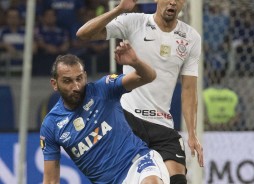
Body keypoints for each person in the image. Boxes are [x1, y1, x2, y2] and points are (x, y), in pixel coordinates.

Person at [76, 0, 204, 183]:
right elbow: (84, 34)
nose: (173, 2)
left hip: (162, 124)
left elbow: (189, 88)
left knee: (178, 180)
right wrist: (119, 9)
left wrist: (192, 133)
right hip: (128, 121)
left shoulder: (191, 37)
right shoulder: (134, 22)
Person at [39, 41, 170, 184]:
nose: (76, 86)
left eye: (79, 79)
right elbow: (51, 181)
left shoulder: (103, 89)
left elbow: (148, 77)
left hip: (138, 163)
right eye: (67, 81)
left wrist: (136, 62)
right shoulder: (51, 125)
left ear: (85, 76)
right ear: (55, 84)